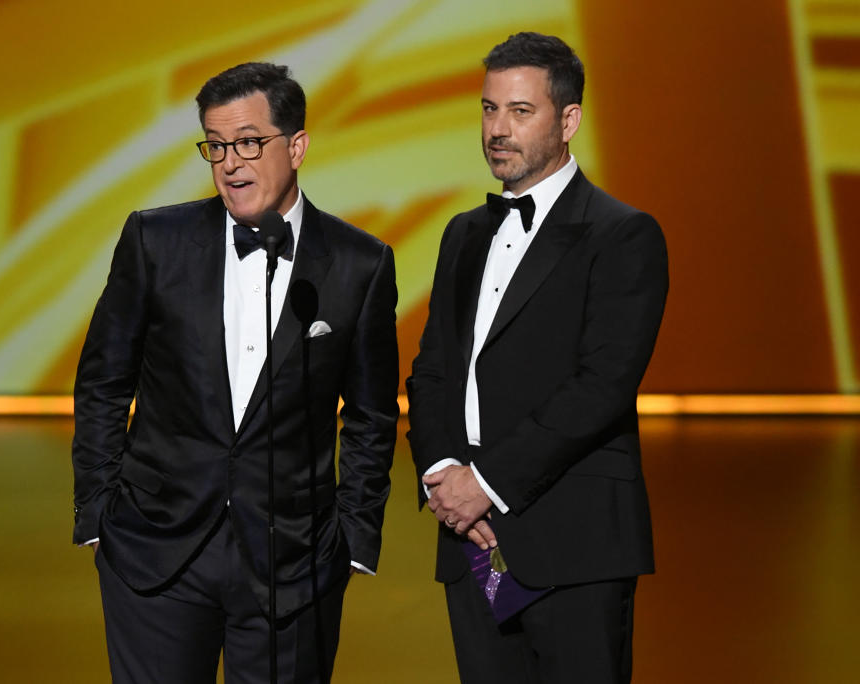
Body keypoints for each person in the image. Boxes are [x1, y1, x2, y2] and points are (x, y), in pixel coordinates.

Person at [72, 62, 399, 683]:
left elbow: (370, 413)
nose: (230, 161)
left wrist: (353, 538)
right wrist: (97, 512)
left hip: (294, 563)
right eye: (216, 146)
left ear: (296, 146)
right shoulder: (154, 241)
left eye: (249, 141)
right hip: (154, 553)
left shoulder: (359, 263)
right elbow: (103, 382)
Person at [406, 32, 668, 684]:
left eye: (520, 111)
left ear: (569, 120)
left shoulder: (623, 234)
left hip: (574, 544)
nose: (498, 128)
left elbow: (600, 386)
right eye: (490, 109)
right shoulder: (463, 233)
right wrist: (445, 479)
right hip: (471, 544)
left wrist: (483, 485)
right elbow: (433, 367)